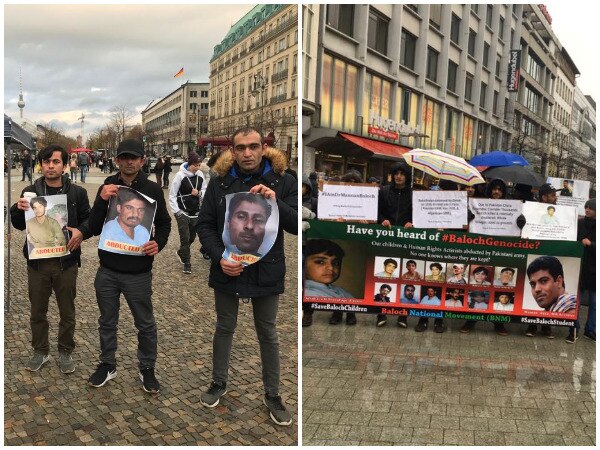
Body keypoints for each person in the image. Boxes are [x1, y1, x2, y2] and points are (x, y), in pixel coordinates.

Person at [197, 127, 297, 426]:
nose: (248, 153)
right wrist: (220, 257)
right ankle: (218, 382)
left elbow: (294, 226)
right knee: (224, 326)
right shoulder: (219, 182)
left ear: (264, 148)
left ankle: (273, 394)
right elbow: (205, 226)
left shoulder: (283, 180)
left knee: (267, 332)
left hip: (267, 270)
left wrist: (275, 201)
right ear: (233, 150)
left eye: (254, 146)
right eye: (241, 148)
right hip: (229, 268)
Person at [87, 138, 171, 394]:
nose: (129, 161)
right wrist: (101, 200)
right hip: (108, 270)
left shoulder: (153, 190)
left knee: (145, 323)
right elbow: (92, 227)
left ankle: (147, 368)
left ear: (142, 160)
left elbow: (165, 222)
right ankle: (107, 364)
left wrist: (158, 243)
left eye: (133, 157)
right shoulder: (108, 185)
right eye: (124, 157)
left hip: (138, 272)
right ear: (117, 160)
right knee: (107, 321)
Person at [9, 144, 91, 373]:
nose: (51, 166)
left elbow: (89, 220)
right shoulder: (30, 191)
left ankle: (65, 350)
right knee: (37, 310)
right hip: (38, 262)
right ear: (41, 164)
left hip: (66, 262)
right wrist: (17, 208)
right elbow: (18, 225)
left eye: (56, 162)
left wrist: (81, 232)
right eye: (47, 162)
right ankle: (40, 350)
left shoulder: (77, 193)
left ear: (64, 165)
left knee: (67, 311)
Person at [525, 183, 558, 338]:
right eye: (552, 195)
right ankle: (531, 325)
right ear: (544, 197)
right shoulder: (532, 210)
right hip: (535, 252)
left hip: (551, 253)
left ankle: (547, 326)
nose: (555, 198)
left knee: (549, 291)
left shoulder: (562, 213)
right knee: (536, 290)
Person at [169, 152, 206, 274]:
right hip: (182, 212)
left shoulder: (200, 175)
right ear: (190, 164)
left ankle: (181, 252)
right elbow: (172, 195)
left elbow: (204, 189)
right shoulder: (179, 176)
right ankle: (187, 263)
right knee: (185, 238)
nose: (198, 167)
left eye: (199, 165)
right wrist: (177, 211)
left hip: (195, 211)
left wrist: (199, 193)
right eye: (196, 165)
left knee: (191, 237)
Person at [567, 199, 595, 343]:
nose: (587, 210)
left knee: (594, 303)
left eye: (591, 208)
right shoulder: (581, 223)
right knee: (576, 301)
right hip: (580, 267)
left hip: (595, 270)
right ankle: (574, 328)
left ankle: (590, 330)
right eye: (586, 207)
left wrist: (591, 245)